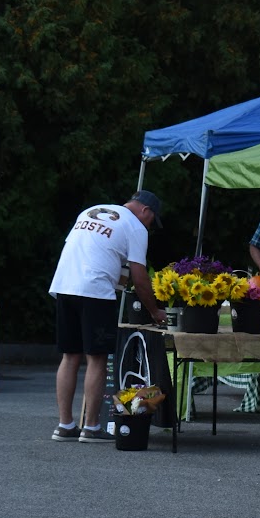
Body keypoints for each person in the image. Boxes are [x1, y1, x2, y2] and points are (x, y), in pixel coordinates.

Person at [48, 189, 166, 443]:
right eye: (151, 221)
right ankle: (91, 427)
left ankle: (65, 425)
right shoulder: (136, 226)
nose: (150, 227)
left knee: (70, 356)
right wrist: (155, 311)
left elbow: (91, 251)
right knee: (97, 359)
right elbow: (139, 274)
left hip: (64, 286)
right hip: (95, 291)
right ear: (145, 211)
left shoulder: (91, 212)